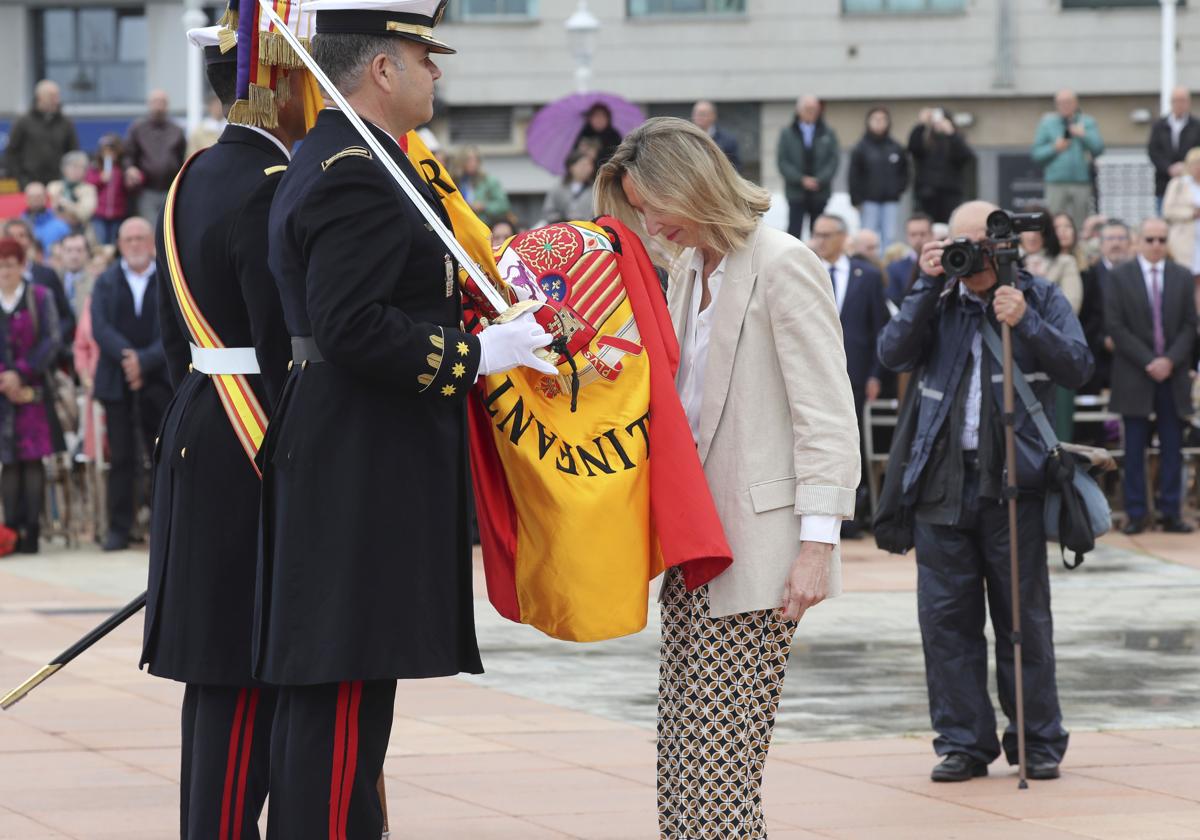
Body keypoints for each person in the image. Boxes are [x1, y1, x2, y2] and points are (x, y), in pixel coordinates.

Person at [257, 4, 555, 836]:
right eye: (424, 57)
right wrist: (482, 354)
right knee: (344, 691)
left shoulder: (349, 158)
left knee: (339, 697)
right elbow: (350, 324)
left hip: (348, 445)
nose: (437, 72)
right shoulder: (357, 169)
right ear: (382, 69)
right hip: (359, 455)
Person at [595, 117, 859, 837]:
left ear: (694, 186)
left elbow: (828, 416)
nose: (649, 223)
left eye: (654, 206)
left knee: (719, 778)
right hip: (696, 546)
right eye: (638, 209)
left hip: (762, 555)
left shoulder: (782, 262)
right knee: (681, 768)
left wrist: (818, 546)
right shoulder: (689, 271)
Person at [139, 25, 307, 839]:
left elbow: (177, 334)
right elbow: (281, 340)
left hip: (198, 419)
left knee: (214, 674)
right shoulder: (273, 183)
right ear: (275, 87)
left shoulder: (192, 175)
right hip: (255, 427)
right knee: (247, 665)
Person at [877, 200, 1092, 783]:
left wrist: (1027, 321)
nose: (962, 256)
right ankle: (964, 743)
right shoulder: (938, 299)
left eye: (971, 244)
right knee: (946, 622)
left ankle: (1037, 739)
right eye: (953, 244)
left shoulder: (1038, 296)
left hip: (1014, 484)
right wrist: (925, 285)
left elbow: (1078, 367)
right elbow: (891, 352)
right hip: (940, 484)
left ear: (1002, 244)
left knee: (1024, 620)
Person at [1105, 218, 1197, 535]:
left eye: (1161, 239)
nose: (1156, 245)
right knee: (1134, 449)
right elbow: (1115, 325)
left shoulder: (1182, 276)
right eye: (1150, 239)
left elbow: (1190, 326)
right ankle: (1136, 513)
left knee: (1173, 448)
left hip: (1173, 376)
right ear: (1138, 241)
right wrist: (1150, 361)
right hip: (1135, 374)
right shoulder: (1119, 277)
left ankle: (1171, 513)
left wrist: (1169, 361)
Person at [90, 217, 169, 551]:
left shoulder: (166, 279)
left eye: (141, 238)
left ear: (152, 242)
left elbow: (171, 327)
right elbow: (100, 326)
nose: (135, 244)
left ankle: (161, 527)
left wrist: (145, 361)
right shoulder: (106, 281)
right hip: (117, 381)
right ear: (120, 244)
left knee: (160, 455)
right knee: (121, 457)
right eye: (129, 239)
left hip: (160, 380)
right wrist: (129, 359)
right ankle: (119, 528)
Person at [811, 213, 888, 537]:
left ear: (843, 238)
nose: (820, 241)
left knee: (848, 443)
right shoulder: (807, 269)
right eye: (816, 234)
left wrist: (875, 374)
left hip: (853, 375)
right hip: (814, 374)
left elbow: (879, 328)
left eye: (827, 235)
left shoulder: (866, 277)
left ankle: (850, 517)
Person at [0, 237, 63, 554]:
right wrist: (3, 376)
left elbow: (52, 338)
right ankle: (11, 531)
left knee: (33, 460)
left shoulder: (39, 297)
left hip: (33, 393)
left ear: (22, 265)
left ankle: (33, 533)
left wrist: (21, 372)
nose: (4, 272)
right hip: (2, 397)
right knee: (8, 462)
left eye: (9, 265)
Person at [1031, 90, 1104, 233]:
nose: (1065, 106)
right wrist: (1054, 148)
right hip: (1056, 182)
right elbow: (1036, 154)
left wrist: (1084, 135)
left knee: (1082, 223)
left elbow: (1099, 149)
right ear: (1056, 105)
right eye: (1061, 103)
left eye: (1068, 102)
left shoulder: (1087, 122)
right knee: (1054, 221)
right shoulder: (1047, 124)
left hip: (1082, 182)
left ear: (1076, 103)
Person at [1079, 220, 1131, 395]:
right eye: (1110, 238)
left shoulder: (1139, 276)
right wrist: (1103, 340)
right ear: (1101, 245)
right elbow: (1084, 318)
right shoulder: (1089, 276)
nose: (1116, 243)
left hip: (1134, 360)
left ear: (1129, 243)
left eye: (1121, 238)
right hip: (1097, 360)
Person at [4, 218, 75, 344]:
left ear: (30, 240)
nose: (16, 240)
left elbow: (67, 317)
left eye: (22, 235)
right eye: (11, 236)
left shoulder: (47, 274)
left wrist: (51, 339)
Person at [777, 94, 839, 240]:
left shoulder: (828, 132)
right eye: (808, 109)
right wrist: (801, 179)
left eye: (814, 109)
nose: (812, 112)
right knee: (794, 231)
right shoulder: (787, 133)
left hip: (820, 191)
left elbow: (833, 160)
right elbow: (782, 162)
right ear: (798, 110)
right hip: (796, 192)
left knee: (819, 231)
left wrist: (820, 179)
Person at [848, 106, 909, 249]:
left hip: (890, 201)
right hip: (869, 201)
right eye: (875, 119)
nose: (879, 123)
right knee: (868, 237)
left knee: (890, 237)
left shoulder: (895, 147)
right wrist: (855, 199)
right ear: (868, 122)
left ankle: (887, 268)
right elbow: (854, 175)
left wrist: (898, 189)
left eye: (883, 120)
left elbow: (905, 171)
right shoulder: (861, 148)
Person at [124, 89, 187, 223]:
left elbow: (183, 157)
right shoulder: (138, 128)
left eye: (162, 102)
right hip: (147, 190)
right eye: (155, 102)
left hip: (171, 190)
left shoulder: (177, 130)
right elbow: (128, 154)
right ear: (149, 104)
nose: (158, 106)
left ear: (167, 105)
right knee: (150, 227)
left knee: (168, 226)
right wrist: (130, 168)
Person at [5, 80, 79, 188]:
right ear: (40, 97)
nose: (56, 100)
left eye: (57, 96)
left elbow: (73, 154)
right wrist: (22, 179)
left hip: (59, 185)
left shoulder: (66, 123)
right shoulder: (23, 122)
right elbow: (12, 152)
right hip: (30, 185)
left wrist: (68, 179)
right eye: (52, 96)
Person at [908, 107, 973, 224]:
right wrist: (921, 124)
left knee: (949, 224)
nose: (938, 124)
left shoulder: (954, 139)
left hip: (950, 193)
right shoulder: (926, 140)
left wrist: (951, 133)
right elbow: (913, 147)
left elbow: (965, 155)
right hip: (928, 194)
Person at [1148, 86, 1200, 214]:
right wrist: (1168, 168)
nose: (1180, 104)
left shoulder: (1196, 126)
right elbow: (1153, 151)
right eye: (1177, 100)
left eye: (1183, 100)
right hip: (1164, 183)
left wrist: (1186, 166)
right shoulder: (1159, 126)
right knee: (1164, 217)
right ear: (1171, 102)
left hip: (1191, 183)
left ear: (1188, 102)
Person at [1020, 213, 1083, 315]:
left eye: (1037, 230)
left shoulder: (1066, 262)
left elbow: (1070, 307)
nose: (1032, 235)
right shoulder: (1018, 261)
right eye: (1057, 227)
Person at [1162, 147, 1200, 279]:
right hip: (1185, 238)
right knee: (1185, 276)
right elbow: (1167, 211)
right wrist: (1191, 213)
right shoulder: (1179, 184)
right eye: (1195, 163)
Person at [86, 135, 131, 246]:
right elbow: (88, 184)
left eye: (112, 151)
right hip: (99, 214)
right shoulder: (95, 168)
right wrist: (101, 179)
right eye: (105, 151)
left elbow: (127, 189)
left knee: (114, 243)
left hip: (117, 213)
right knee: (100, 242)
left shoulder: (121, 169)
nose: (109, 155)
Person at [453, 145, 511, 227]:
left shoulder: (489, 180)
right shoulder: (456, 181)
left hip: (485, 226)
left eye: (476, 159)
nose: (473, 163)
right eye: (469, 160)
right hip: (463, 226)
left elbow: (503, 205)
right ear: (461, 162)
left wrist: (484, 206)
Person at [887, 213, 934, 305]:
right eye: (913, 234)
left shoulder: (941, 264)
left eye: (923, 234)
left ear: (932, 235)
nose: (918, 238)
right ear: (907, 236)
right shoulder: (895, 268)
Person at [47, 151, 98, 236]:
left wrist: (64, 203)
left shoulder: (89, 189)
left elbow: (84, 214)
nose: (76, 171)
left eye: (80, 167)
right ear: (64, 169)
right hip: (55, 233)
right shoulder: (53, 186)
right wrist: (74, 212)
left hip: (81, 233)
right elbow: (50, 212)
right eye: (73, 166)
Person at [540, 149, 594, 225]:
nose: (587, 168)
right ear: (572, 167)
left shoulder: (594, 189)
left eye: (589, 165)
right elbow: (549, 211)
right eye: (583, 165)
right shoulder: (558, 188)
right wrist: (563, 220)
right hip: (562, 229)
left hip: (587, 230)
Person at [20, 182, 72, 255]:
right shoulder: (19, 226)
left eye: (39, 196)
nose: (35, 200)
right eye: (31, 196)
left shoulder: (61, 225)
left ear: (45, 198)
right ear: (26, 199)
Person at [691, 99, 740, 170]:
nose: (698, 117)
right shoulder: (686, 138)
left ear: (713, 116)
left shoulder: (728, 141)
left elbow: (736, 167)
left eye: (702, 114)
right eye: (696, 114)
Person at [573, 102, 622, 170]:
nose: (599, 119)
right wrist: (580, 153)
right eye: (596, 116)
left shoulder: (614, 136)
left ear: (608, 119)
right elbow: (572, 159)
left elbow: (619, 158)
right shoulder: (584, 133)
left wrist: (597, 155)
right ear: (590, 119)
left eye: (602, 116)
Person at [57, 232, 92, 318]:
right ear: (61, 252)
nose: (74, 256)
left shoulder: (96, 282)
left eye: (79, 250)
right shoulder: (53, 279)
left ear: (87, 253)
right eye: (69, 250)